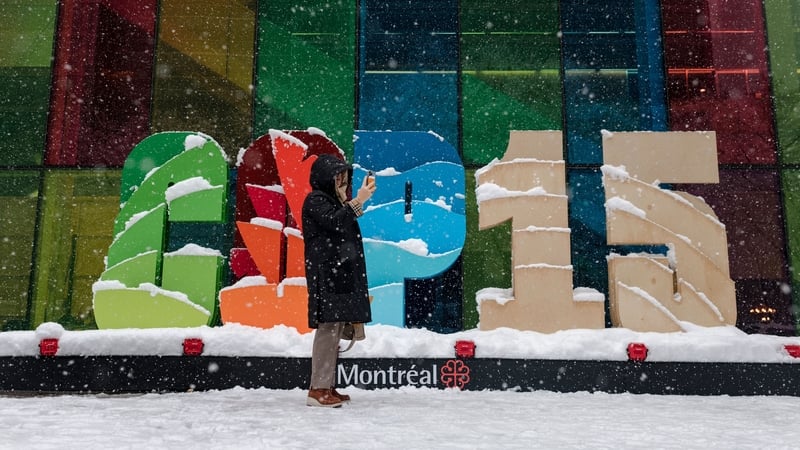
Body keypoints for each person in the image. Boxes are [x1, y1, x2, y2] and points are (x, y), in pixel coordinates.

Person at [302, 154, 375, 407]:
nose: (342, 183)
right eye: (338, 178)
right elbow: (334, 223)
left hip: (338, 276)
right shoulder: (316, 200)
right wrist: (357, 202)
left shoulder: (331, 201)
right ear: (325, 178)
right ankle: (318, 389)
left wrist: (349, 202)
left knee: (335, 332)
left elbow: (340, 223)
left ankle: (327, 386)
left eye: (344, 178)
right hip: (326, 277)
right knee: (327, 331)